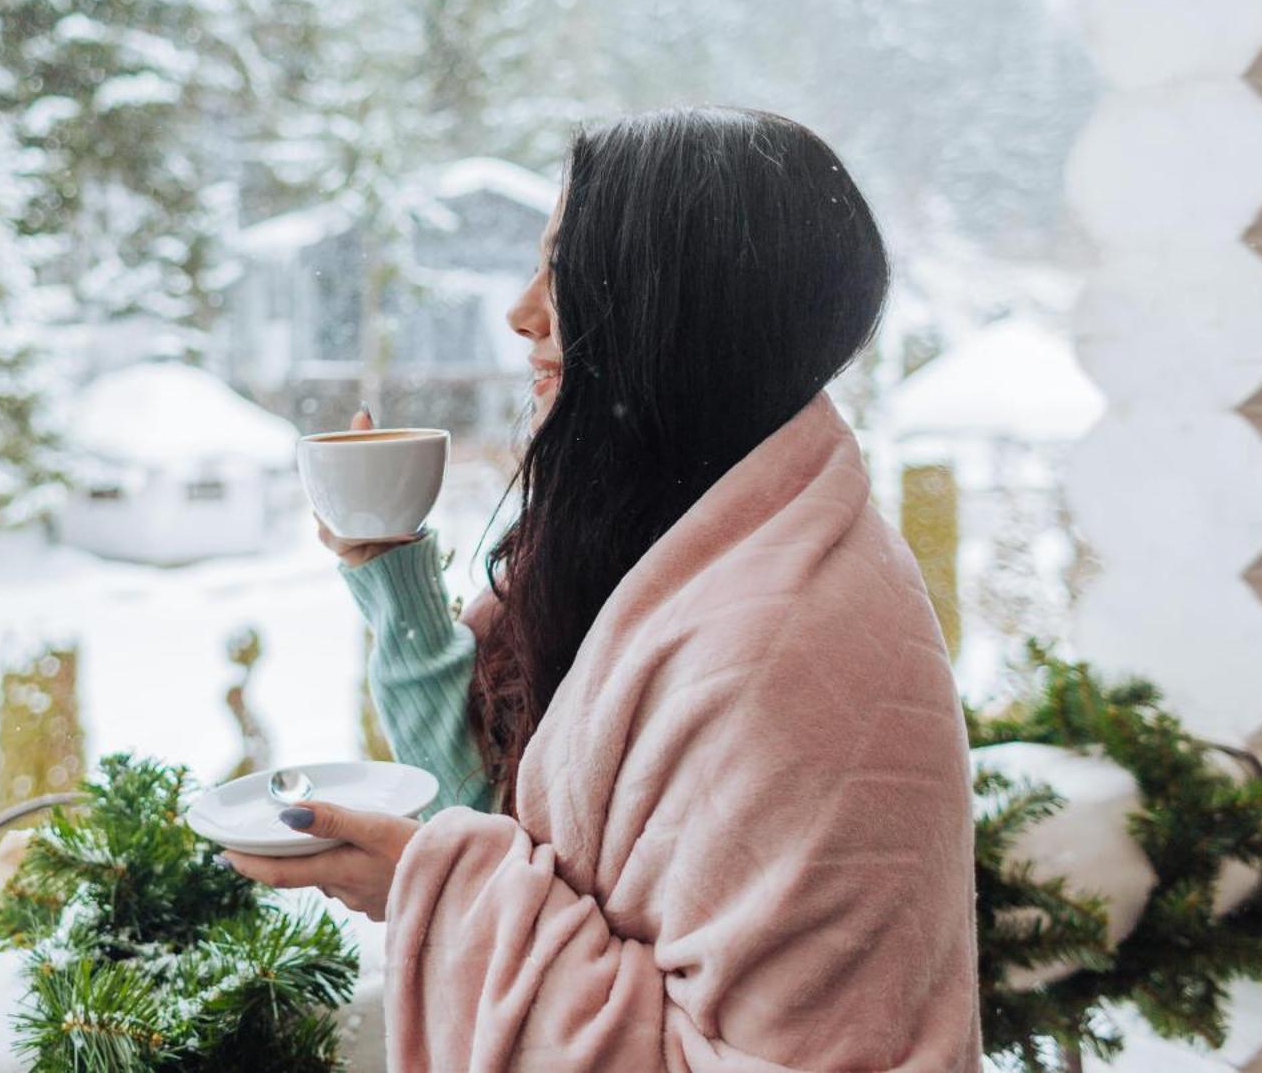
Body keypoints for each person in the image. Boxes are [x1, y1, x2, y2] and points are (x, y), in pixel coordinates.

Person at [223, 107, 982, 1070]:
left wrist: (435, 890)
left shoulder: (787, 647)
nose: (522, 310)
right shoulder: (679, 544)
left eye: (566, 268)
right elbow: (496, 810)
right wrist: (392, 580)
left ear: (679, 310)